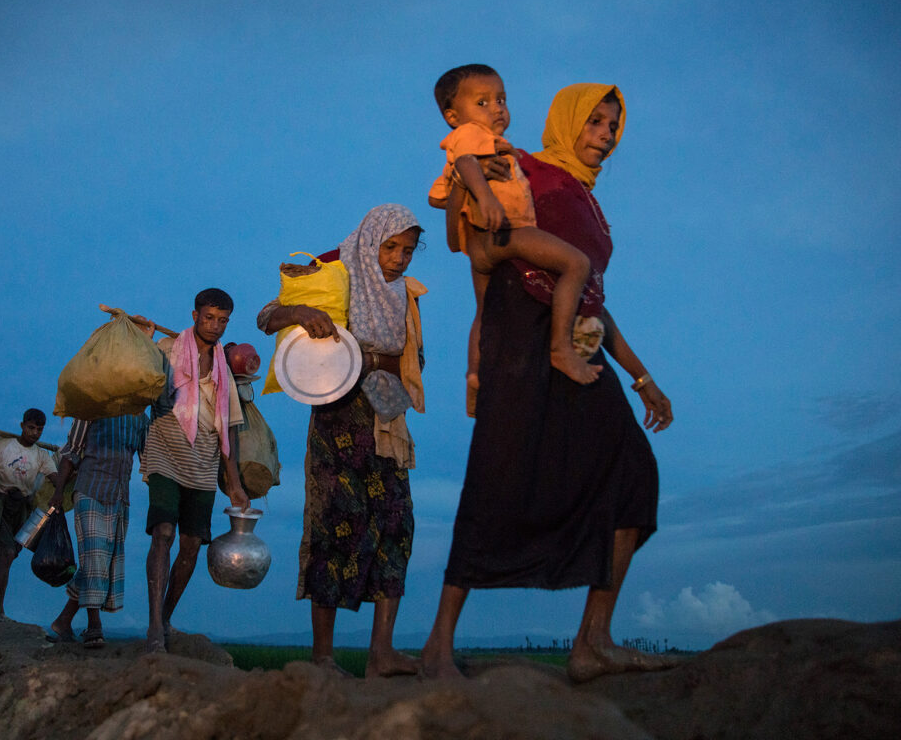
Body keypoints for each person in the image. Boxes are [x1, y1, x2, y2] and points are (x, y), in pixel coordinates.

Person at [421, 83, 676, 683]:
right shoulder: (529, 168)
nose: (606, 135)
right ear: (567, 124)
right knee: (499, 474)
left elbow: (591, 299)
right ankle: (437, 646)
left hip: (577, 338)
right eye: (595, 123)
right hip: (520, 331)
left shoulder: (590, 203)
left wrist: (641, 377)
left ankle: (593, 644)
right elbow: (474, 213)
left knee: (633, 472)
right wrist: (477, 353)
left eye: (614, 126)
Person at [258, 204, 426, 678]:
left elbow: (414, 362)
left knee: (397, 526)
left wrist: (371, 362)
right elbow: (266, 316)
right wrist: (301, 311)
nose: (398, 259)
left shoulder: (405, 297)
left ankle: (382, 655)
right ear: (370, 240)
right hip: (337, 424)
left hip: (387, 424)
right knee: (336, 525)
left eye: (408, 251)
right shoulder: (335, 272)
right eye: (390, 246)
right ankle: (323, 658)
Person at [430, 64, 599, 416]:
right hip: (504, 235)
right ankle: (561, 349)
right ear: (452, 115)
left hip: (479, 251)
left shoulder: (486, 144)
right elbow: (466, 164)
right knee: (576, 263)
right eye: (483, 102)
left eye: (501, 100)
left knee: (482, 313)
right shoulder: (471, 137)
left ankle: (474, 376)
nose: (496, 108)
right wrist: (487, 197)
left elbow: (436, 196)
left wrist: (467, 188)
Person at [142, 288, 249, 652]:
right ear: (194, 316)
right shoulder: (167, 350)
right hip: (166, 447)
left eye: (222, 320)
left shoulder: (223, 366)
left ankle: (166, 616)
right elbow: (140, 383)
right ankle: (154, 626)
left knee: (190, 544)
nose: (215, 326)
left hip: (204, 458)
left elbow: (229, 428)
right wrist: (142, 344)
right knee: (164, 532)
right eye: (209, 318)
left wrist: (233, 484)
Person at [46, 401, 152, 647]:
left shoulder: (140, 419)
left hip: (119, 497)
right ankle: (94, 626)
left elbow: (147, 461)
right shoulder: (91, 409)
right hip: (89, 489)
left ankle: (63, 621)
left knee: (101, 562)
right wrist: (59, 492)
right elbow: (71, 452)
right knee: (94, 559)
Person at [0, 409, 58, 625]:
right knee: (7, 553)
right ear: (21, 425)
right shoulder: (1, 445)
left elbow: (56, 478)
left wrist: (69, 474)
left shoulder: (41, 455)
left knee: (7, 559)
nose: (35, 433)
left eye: (39, 430)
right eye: (31, 428)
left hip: (23, 509)